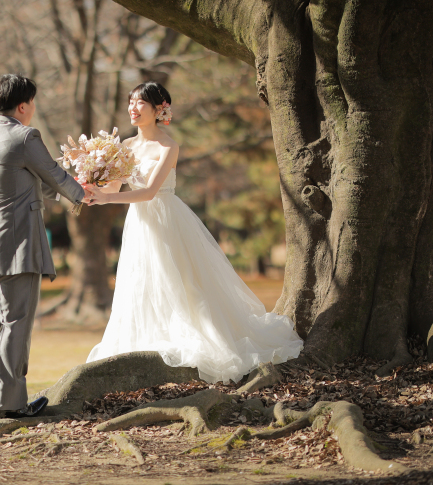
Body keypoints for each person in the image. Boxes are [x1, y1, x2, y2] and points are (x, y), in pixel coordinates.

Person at [84, 81, 303, 383]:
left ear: (160, 109)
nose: (133, 108)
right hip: (139, 224)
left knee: (179, 282)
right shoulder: (125, 147)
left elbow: (149, 192)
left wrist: (107, 196)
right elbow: (112, 188)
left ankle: (199, 341)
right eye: (131, 102)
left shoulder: (168, 146)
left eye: (140, 103)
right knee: (141, 281)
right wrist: (92, 185)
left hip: (166, 219)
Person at [0, 74, 92, 421]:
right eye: (32, 103)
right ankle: (12, 403)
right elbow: (52, 174)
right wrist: (86, 192)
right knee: (15, 322)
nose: (33, 109)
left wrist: (68, 189)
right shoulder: (24, 135)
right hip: (15, 244)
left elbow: (25, 179)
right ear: (23, 105)